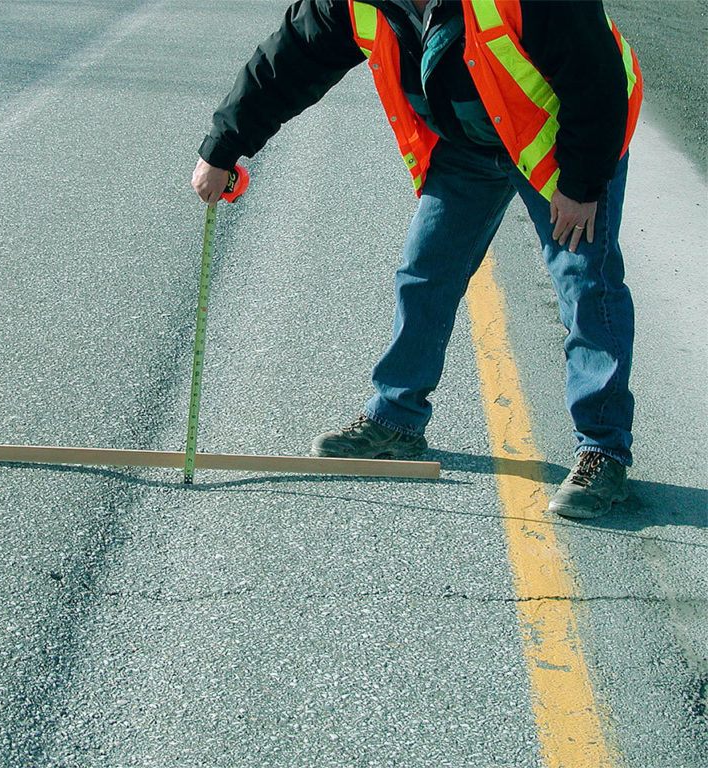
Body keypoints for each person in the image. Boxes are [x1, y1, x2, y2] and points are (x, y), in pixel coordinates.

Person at [191, 0, 642, 519]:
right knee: (424, 272)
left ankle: (603, 450)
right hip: (469, 143)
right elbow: (289, 60)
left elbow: (596, 73)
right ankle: (396, 421)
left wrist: (583, 183)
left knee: (586, 284)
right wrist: (223, 147)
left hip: (560, 138)